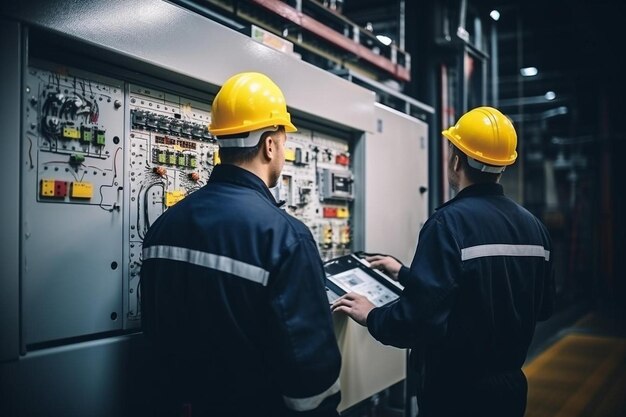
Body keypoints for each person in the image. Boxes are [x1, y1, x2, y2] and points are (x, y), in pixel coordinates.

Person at [332, 106, 555, 417]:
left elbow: (417, 321)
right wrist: (406, 274)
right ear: (502, 165)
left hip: (455, 395)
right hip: (510, 391)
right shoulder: (534, 228)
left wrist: (372, 315)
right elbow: (535, 305)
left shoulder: (448, 223)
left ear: (456, 159)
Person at [141, 72, 341, 417]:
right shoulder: (285, 237)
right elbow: (310, 377)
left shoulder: (164, 227)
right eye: (283, 140)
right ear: (269, 145)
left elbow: (155, 334)